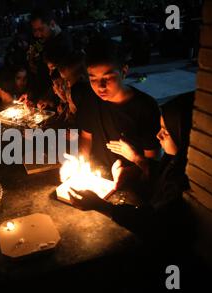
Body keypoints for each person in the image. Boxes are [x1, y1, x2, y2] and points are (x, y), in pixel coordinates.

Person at [69, 92, 195, 247]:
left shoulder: (184, 179)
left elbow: (152, 222)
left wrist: (100, 205)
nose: (158, 135)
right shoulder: (174, 160)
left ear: (183, 134)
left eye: (166, 132)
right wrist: (135, 159)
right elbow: (157, 173)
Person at [78, 38, 160, 185]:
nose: (100, 87)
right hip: (98, 178)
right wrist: (81, 166)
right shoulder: (90, 98)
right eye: (93, 79)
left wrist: (133, 168)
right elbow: (86, 137)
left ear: (123, 71)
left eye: (108, 77)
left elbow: (153, 161)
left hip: (131, 183)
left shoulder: (145, 107)